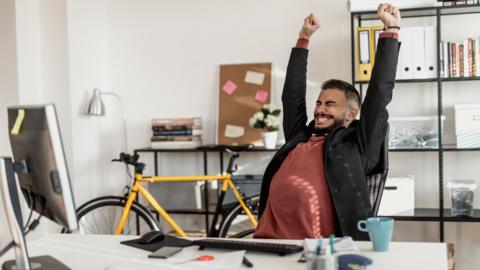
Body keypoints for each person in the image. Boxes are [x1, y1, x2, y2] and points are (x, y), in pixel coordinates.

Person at [254, 3, 401, 240]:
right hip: (269, 241)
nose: (320, 110)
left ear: (351, 114)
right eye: (319, 103)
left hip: (320, 249)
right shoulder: (299, 137)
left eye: (330, 104)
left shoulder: (357, 146)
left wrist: (390, 31)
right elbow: (291, 97)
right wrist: (303, 39)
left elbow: (378, 96)